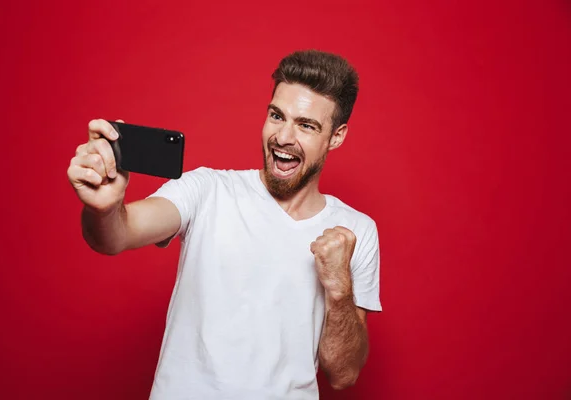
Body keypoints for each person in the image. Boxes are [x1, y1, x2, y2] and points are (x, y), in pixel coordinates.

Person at [67, 50, 381, 400]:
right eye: (277, 116)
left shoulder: (356, 231)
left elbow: (344, 374)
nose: (283, 137)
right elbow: (115, 236)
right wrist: (104, 208)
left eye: (306, 125)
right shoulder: (207, 190)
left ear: (336, 137)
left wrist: (339, 288)